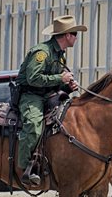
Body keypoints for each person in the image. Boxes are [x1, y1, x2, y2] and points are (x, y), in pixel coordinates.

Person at [16, 14, 83, 187]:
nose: (76, 37)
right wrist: (60, 77)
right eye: (75, 33)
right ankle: (24, 168)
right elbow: (33, 78)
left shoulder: (60, 55)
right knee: (33, 126)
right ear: (67, 35)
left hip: (47, 95)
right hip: (31, 95)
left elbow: (55, 81)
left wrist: (68, 86)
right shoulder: (42, 53)